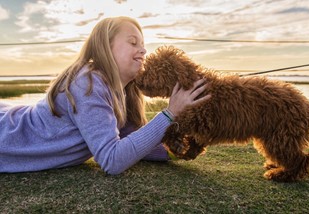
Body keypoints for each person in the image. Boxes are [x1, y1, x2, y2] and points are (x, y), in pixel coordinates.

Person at [0, 16, 210, 174]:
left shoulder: (121, 92)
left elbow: (129, 141)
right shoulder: (88, 84)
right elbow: (112, 160)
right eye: (133, 42)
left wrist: (176, 149)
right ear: (106, 47)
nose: (143, 50)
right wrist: (169, 113)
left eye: (143, 45)